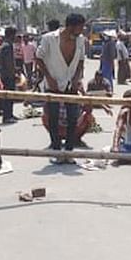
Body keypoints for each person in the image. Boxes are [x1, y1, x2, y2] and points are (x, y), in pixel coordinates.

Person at [36, 13, 86, 156]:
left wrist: (77, 78)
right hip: (53, 83)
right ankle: (56, 147)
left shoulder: (81, 40)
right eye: (80, 27)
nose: (82, 31)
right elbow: (38, 58)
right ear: (71, 27)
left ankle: (69, 149)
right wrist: (49, 78)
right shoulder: (49, 39)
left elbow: (81, 60)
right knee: (53, 116)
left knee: (72, 117)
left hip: (70, 84)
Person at [0, 26, 18, 124]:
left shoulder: (6, 45)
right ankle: (7, 116)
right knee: (8, 95)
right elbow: (8, 63)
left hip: (6, 74)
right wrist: (13, 73)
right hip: (7, 75)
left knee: (10, 95)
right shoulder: (7, 46)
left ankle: (10, 114)